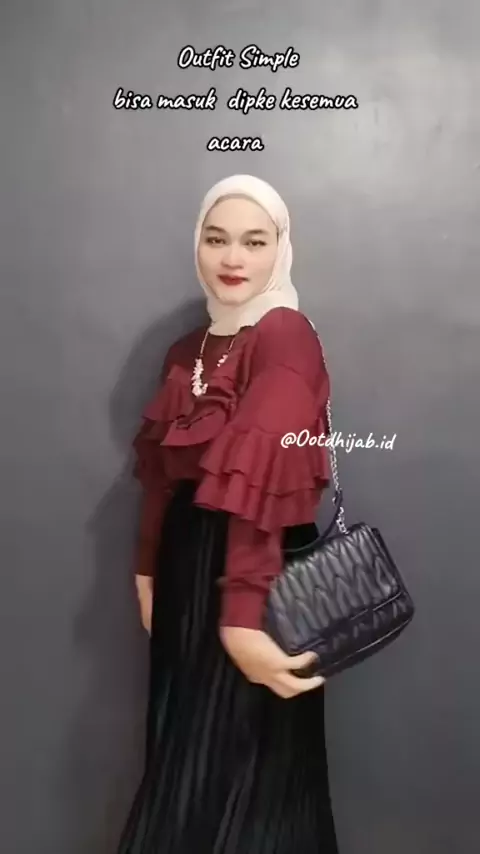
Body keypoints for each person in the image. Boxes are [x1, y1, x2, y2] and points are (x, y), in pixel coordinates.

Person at [117, 174, 339, 853]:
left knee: (252, 777)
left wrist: (242, 615)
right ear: (198, 246)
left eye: (254, 240)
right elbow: (163, 477)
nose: (233, 258)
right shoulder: (186, 352)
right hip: (187, 576)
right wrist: (149, 571)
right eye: (216, 239)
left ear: (281, 248)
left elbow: (267, 464)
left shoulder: (285, 335)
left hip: (258, 570)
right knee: (184, 761)